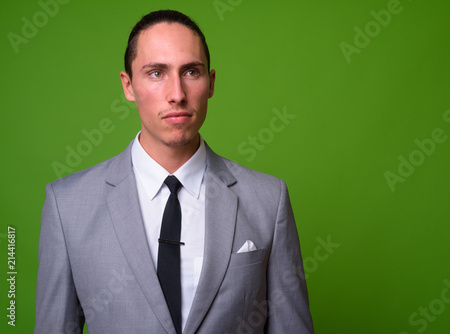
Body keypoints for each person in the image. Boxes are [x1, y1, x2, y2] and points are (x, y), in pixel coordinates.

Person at [35, 9, 313, 334]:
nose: (177, 94)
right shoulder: (66, 206)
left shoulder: (269, 199)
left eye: (191, 72)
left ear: (210, 82)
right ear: (128, 86)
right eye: (156, 73)